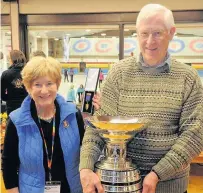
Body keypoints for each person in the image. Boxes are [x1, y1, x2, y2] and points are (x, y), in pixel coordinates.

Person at [79, 4, 203, 193]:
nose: (149, 41)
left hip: (168, 187)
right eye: (144, 34)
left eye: (157, 33)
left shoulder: (188, 78)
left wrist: (157, 174)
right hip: (119, 185)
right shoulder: (118, 73)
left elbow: (194, 135)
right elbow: (99, 126)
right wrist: (86, 167)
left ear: (171, 33)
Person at [2, 57, 84, 193]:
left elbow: (86, 153)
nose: (44, 91)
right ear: (28, 87)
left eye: (49, 83)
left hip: (71, 189)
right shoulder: (17, 120)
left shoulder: (73, 115)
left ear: (57, 84)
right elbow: (8, 164)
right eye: (37, 85)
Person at [1, 50, 28, 114]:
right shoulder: (28, 72)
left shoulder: (6, 74)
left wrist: (10, 98)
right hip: (27, 105)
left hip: (12, 107)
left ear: (12, 60)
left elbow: (3, 95)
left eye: (9, 59)